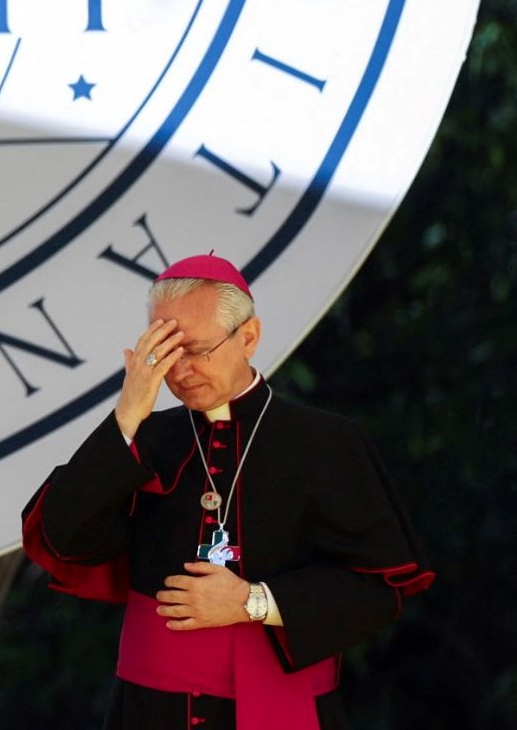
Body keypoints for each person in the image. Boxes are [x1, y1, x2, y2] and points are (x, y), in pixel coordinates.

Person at [22, 253, 434, 730]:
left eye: (197, 350)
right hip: (150, 712)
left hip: (278, 701)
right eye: (167, 353)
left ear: (249, 338)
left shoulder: (325, 442)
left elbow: (379, 588)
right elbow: (64, 536)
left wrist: (252, 601)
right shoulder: (144, 442)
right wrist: (126, 417)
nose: (181, 372)